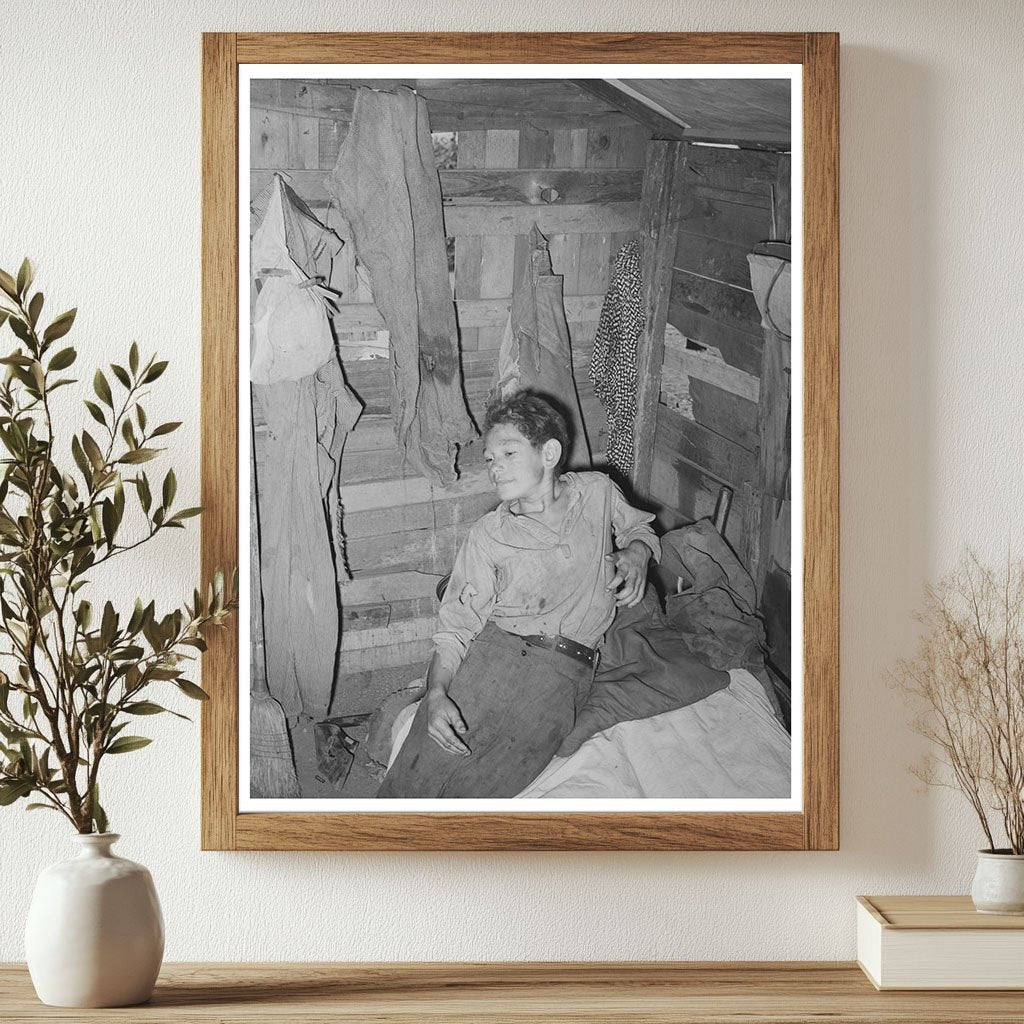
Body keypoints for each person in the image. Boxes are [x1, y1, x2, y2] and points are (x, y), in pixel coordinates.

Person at [376, 391, 661, 798]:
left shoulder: (597, 492)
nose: (495, 468)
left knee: (482, 794)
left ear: (549, 453)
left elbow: (640, 528)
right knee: (413, 781)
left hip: (564, 676)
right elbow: (456, 626)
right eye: (490, 460)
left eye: (508, 453)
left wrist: (637, 552)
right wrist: (437, 694)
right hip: (496, 657)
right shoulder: (489, 535)